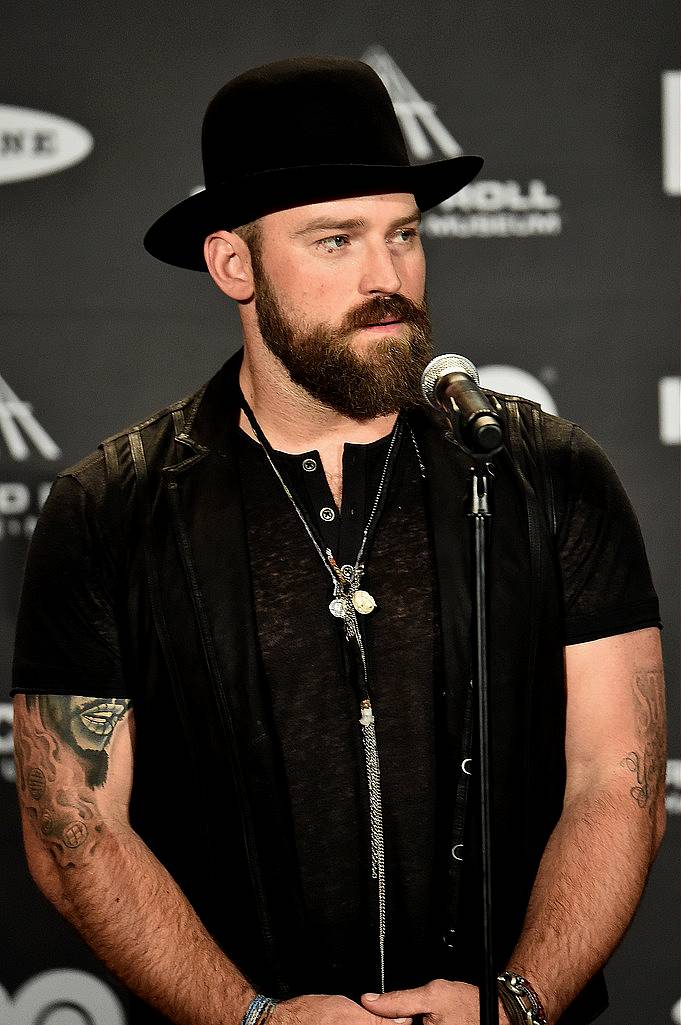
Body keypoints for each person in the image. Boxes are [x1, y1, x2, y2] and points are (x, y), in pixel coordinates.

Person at [11, 56, 665, 1025]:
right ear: (234, 264)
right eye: (334, 240)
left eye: (403, 234)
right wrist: (253, 1017)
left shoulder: (545, 472)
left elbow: (620, 778)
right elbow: (76, 828)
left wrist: (514, 1005)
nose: (385, 276)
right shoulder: (111, 508)